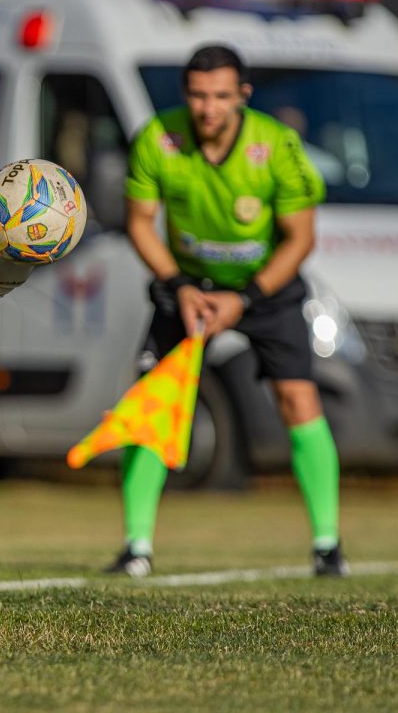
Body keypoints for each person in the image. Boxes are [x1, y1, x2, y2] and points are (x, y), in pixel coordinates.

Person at [110, 44, 348, 578]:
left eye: (220, 96)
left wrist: (245, 300)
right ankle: (135, 549)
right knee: (155, 401)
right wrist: (178, 285)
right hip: (188, 285)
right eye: (197, 95)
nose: (208, 108)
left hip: (263, 289)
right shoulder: (157, 139)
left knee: (297, 397)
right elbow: (141, 224)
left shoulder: (277, 144)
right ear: (185, 95)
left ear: (243, 95)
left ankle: (328, 546)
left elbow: (300, 238)